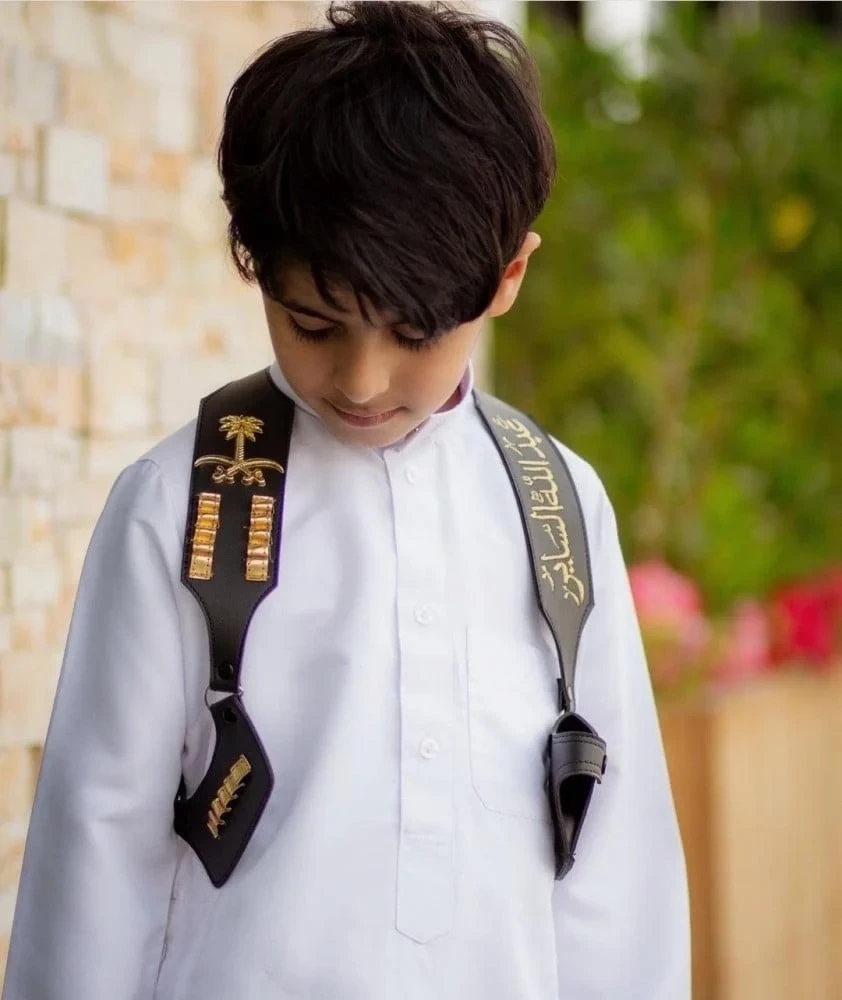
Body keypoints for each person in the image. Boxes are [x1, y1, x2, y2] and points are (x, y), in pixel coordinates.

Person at [1, 3, 689, 998]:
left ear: (506, 276)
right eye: (314, 323)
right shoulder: (179, 505)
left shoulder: (559, 506)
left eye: (413, 331)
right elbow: (96, 851)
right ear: (253, 262)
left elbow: (614, 865)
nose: (362, 379)